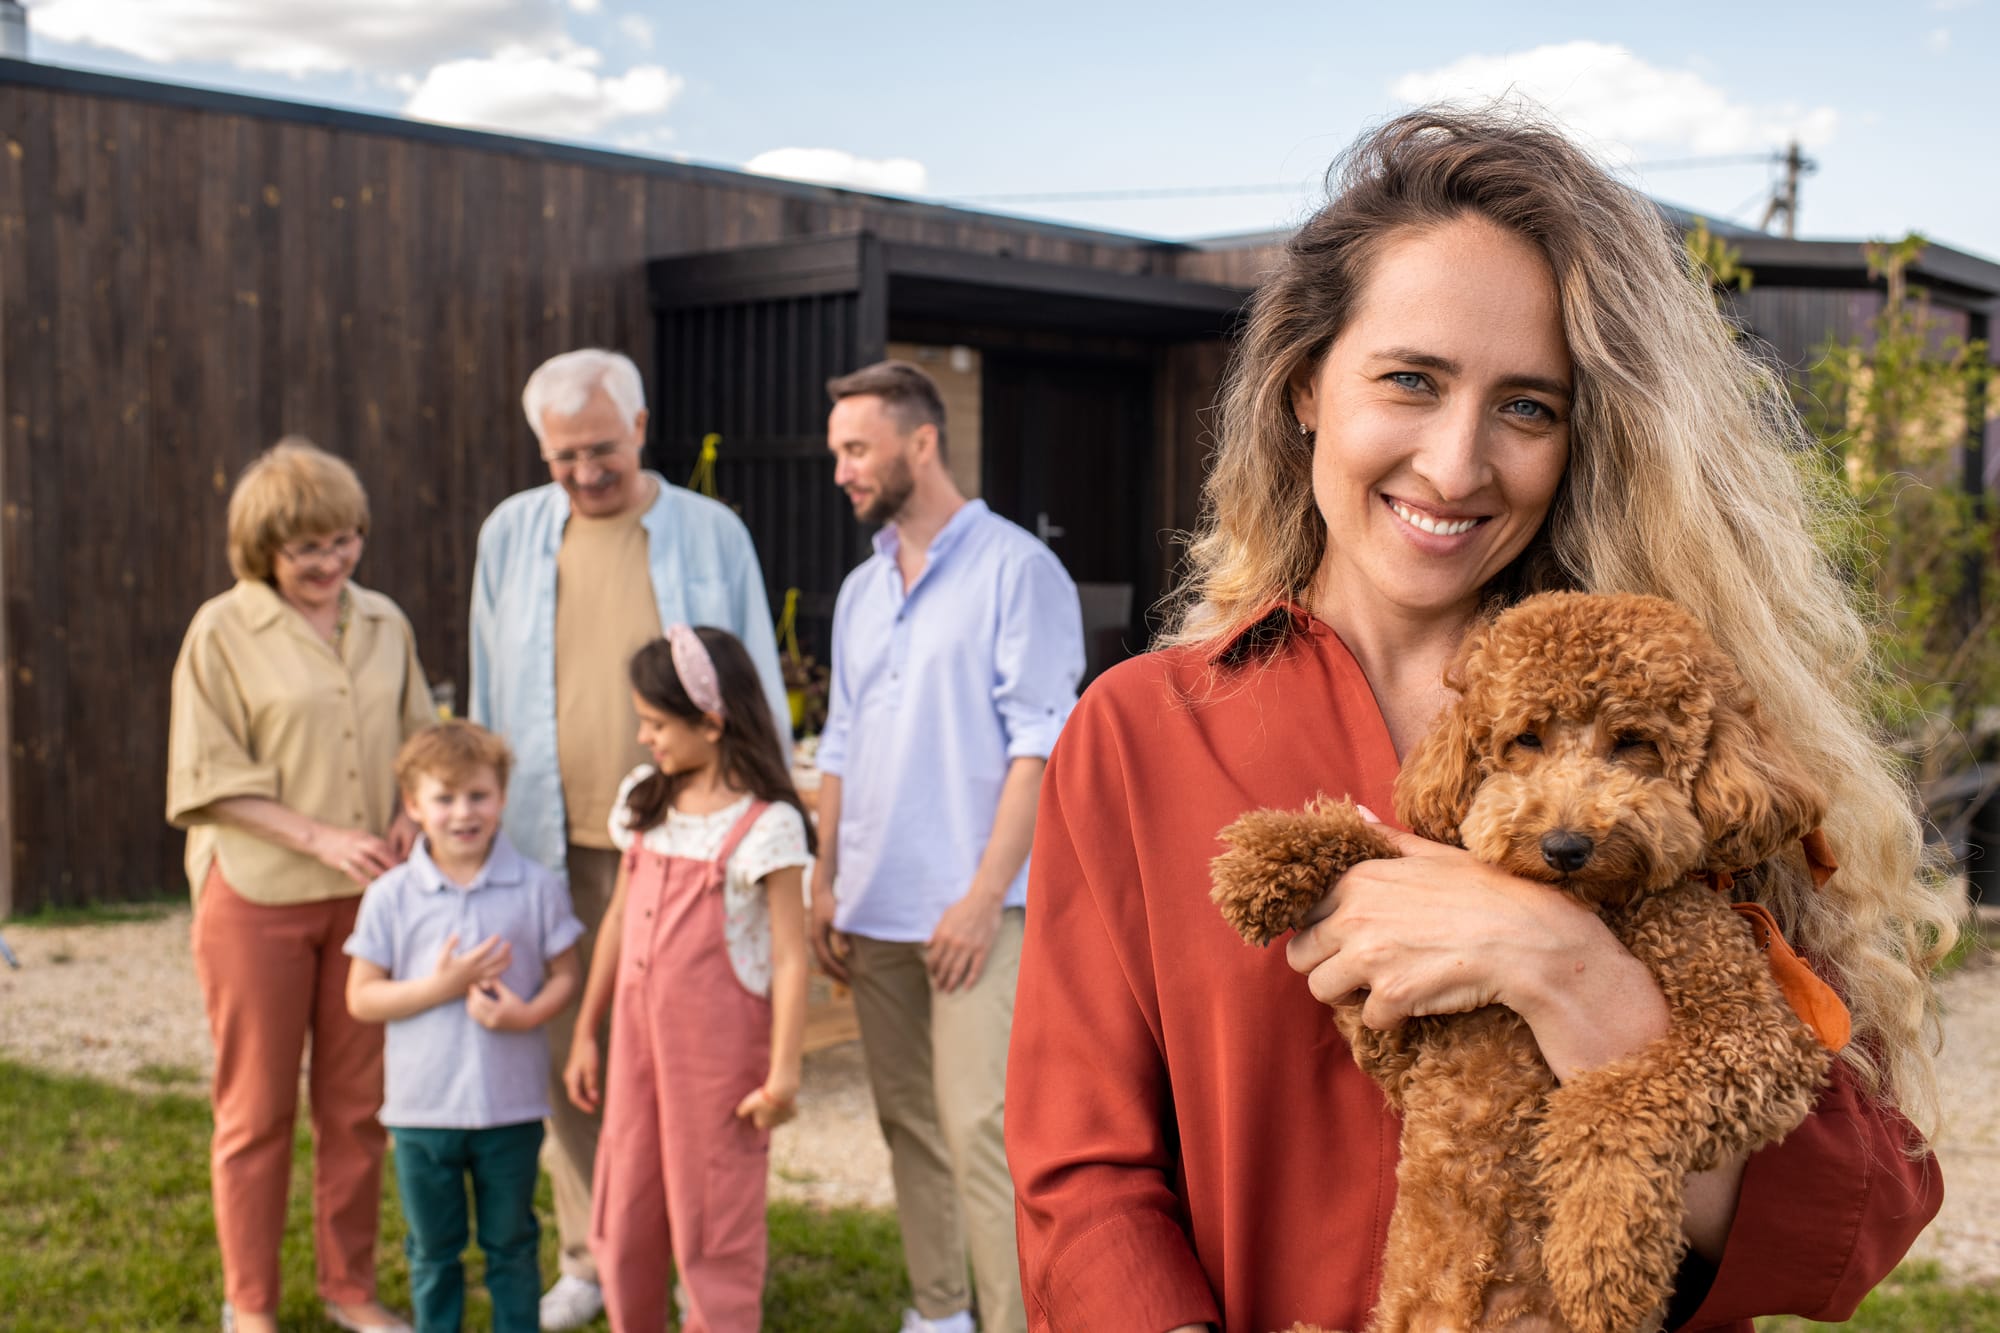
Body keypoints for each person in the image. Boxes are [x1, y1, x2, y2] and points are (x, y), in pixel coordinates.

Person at [1005, 106, 1952, 1333]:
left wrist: (1572, 976)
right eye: (1409, 379)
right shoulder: (1138, 733)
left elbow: (1857, 1219)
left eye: (1526, 407)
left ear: (1582, 438)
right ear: (1303, 385)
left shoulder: (1672, 731)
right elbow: (1081, 1179)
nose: (1455, 466)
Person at [469, 348, 791, 1330]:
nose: (582, 472)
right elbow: (486, 678)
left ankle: (703, 1255)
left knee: (697, 1064)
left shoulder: (712, 531)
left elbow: (750, 679)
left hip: (690, 837)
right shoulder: (510, 532)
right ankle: (594, 1252)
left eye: (600, 449)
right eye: (562, 456)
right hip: (546, 834)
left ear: (641, 427)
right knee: (579, 1046)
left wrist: (771, 800)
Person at [810, 360, 1085, 1333]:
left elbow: (1039, 744)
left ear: (917, 443)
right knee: (909, 1125)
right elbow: (840, 739)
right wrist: (821, 877)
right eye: (836, 448)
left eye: (855, 448)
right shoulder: (858, 589)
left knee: (981, 1130)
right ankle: (938, 1313)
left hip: (980, 908)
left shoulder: (1018, 569)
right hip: (871, 903)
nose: (839, 467)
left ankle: (1016, 1321)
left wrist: (980, 896)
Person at [167, 438, 435, 1333]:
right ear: (264, 549)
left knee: (358, 1108)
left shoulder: (385, 622)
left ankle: (348, 1286)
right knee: (256, 1110)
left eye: (344, 539)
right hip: (257, 893)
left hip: (368, 901)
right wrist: (319, 835)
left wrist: (412, 807)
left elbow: (418, 742)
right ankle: (250, 1303)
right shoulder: (221, 630)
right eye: (307, 548)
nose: (330, 562)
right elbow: (206, 775)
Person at [561, 626, 813, 1333]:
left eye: (655, 723)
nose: (644, 738)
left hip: (720, 1067)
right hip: (636, 1054)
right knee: (628, 1201)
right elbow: (616, 920)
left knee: (715, 1217)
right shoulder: (646, 801)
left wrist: (784, 1075)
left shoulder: (766, 826)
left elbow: (792, 958)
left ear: (712, 720)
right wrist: (587, 1031)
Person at [345, 721, 585, 1333]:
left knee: (512, 1243)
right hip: (422, 1112)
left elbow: (567, 973)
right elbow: (362, 999)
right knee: (433, 1251)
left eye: (478, 795)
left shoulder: (536, 887)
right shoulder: (392, 896)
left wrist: (525, 1014)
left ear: (501, 798)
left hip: (511, 1109)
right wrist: (443, 986)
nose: (462, 813)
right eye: (444, 799)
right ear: (414, 807)